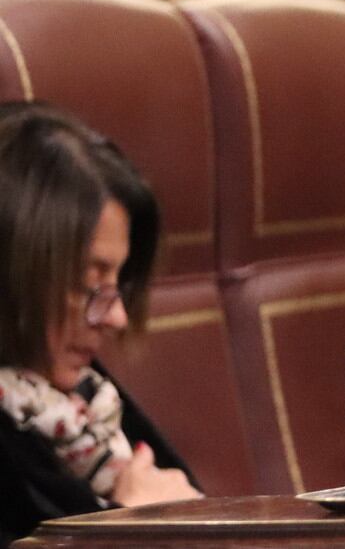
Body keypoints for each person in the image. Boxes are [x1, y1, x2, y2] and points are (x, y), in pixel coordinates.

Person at [0, 104, 200, 545]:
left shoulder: (76, 396)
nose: (116, 317)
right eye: (89, 285)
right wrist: (125, 529)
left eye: (117, 285)